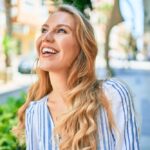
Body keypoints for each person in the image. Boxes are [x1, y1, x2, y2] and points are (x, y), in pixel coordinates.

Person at [14, 4, 140, 150]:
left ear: (82, 46)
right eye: (44, 30)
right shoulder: (34, 113)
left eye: (61, 30)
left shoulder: (111, 95)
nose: (46, 37)